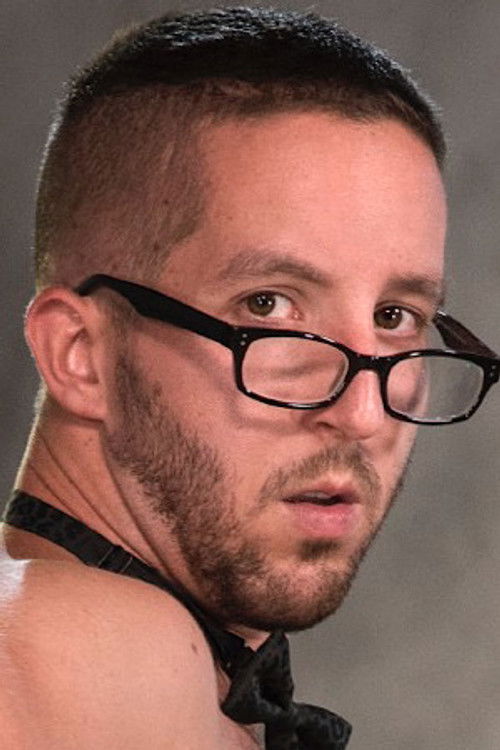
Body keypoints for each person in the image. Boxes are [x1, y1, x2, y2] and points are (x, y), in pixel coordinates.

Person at [1, 6, 499, 749]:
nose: (363, 413)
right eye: (268, 306)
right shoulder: (77, 645)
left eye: (395, 315)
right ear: (81, 352)